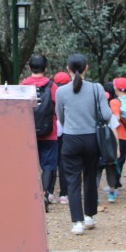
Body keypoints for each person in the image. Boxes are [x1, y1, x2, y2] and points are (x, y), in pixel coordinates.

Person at [56, 54, 116, 235]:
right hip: (92, 138)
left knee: (72, 180)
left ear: (68, 69)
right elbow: (107, 115)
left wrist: (71, 125)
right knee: (90, 176)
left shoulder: (61, 91)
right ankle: (89, 216)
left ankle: (77, 222)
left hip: (70, 139)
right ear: (86, 68)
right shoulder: (96, 88)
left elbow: (60, 117)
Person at [20, 54, 58, 207]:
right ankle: (44, 194)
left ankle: (29, 196)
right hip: (49, 133)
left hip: (27, 133)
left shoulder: (22, 86)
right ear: (45, 68)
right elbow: (58, 107)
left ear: (29, 68)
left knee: (28, 165)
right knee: (48, 165)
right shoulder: (52, 86)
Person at [53, 71, 71, 204]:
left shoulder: (52, 91)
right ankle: (64, 194)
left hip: (52, 130)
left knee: (51, 162)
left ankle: (48, 192)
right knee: (63, 162)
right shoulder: (71, 92)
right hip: (67, 130)